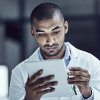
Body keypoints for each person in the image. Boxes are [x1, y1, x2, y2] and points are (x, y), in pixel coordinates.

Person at [9, 2, 100, 100]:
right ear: (32, 32)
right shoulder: (19, 73)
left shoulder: (91, 63)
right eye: (42, 34)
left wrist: (88, 93)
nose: (50, 41)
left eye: (55, 32)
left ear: (65, 27)